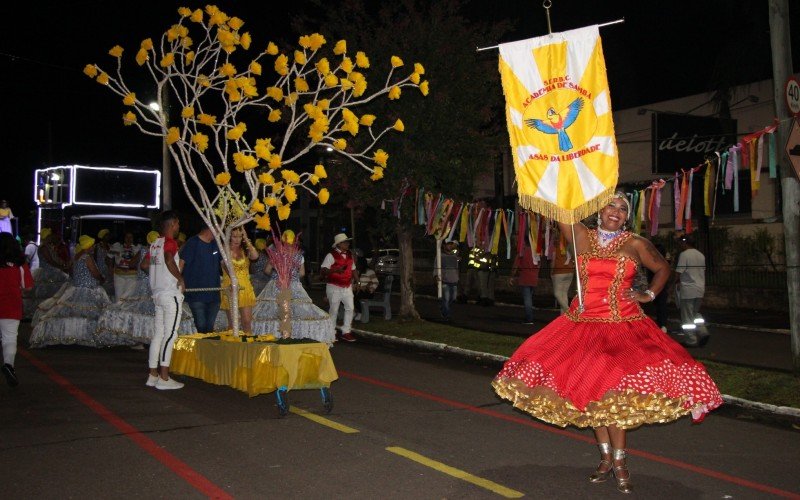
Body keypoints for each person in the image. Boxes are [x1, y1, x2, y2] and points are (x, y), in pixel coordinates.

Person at [492, 192, 722, 494]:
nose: (615, 211)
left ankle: (620, 462)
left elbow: (663, 269)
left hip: (622, 327)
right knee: (591, 395)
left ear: (627, 216)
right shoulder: (580, 235)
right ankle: (604, 458)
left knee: (614, 397)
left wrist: (648, 294)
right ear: (599, 210)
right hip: (583, 327)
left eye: (622, 208)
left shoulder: (635, 243)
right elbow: (561, 206)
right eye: (611, 205)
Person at [96, 231, 196, 347]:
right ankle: (152, 339)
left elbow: (137, 264)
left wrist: (150, 271)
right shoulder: (159, 250)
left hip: (145, 284)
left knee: (140, 313)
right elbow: (150, 265)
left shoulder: (147, 250)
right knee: (153, 314)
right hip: (155, 285)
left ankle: (142, 339)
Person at [29, 234, 111, 347]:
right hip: (89, 290)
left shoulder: (76, 256)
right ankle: (86, 336)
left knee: (73, 313)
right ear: (87, 246)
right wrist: (101, 279)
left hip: (75, 289)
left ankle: (72, 335)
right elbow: (95, 272)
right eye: (91, 246)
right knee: (87, 314)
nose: (93, 248)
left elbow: (71, 272)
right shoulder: (87, 257)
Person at [252, 230, 332, 344]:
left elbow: (267, 270)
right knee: (293, 311)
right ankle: (291, 335)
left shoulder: (275, 253)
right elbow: (302, 273)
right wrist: (293, 278)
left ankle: (276, 335)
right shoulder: (299, 255)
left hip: (276, 285)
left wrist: (275, 276)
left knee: (274, 312)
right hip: (293, 286)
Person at [146, 211, 185, 390]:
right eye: (177, 224)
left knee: (159, 334)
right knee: (170, 334)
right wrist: (179, 278)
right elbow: (169, 259)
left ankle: (153, 374)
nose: (178, 227)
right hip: (169, 294)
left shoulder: (155, 244)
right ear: (172, 224)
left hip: (157, 294)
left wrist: (159, 275)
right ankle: (164, 377)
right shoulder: (170, 242)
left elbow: (144, 265)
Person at [0, 232, 33, 387]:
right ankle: (8, 365)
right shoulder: (20, 264)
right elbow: (28, 287)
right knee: (9, 338)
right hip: (11, 305)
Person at [180, 225, 223, 333]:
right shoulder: (192, 243)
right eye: (218, 229)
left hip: (214, 293)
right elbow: (181, 263)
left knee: (209, 327)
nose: (220, 232)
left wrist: (233, 278)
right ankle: (203, 347)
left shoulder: (216, 244)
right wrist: (178, 280)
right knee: (201, 325)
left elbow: (223, 263)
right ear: (211, 228)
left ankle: (207, 348)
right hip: (196, 294)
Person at [219, 227, 259, 334]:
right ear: (229, 237)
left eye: (240, 236)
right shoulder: (224, 248)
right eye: (234, 236)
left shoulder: (245, 249)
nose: (237, 239)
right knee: (233, 324)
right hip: (230, 288)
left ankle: (248, 347)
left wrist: (246, 239)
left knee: (246, 322)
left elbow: (255, 256)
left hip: (245, 288)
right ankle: (232, 348)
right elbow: (224, 264)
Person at [320, 233, 359, 342]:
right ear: (339, 244)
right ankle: (331, 333)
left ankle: (346, 331)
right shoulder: (331, 255)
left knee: (350, 308)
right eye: (345, 242)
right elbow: (323, 270)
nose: (348, 244)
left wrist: (358, 281)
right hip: (334, 286)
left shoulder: (350, 254)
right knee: (334, 310)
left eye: (348, 242)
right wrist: (335, 270)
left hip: (347, 286)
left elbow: (353, 269)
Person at [674, 235, 708, 347]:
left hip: (688, 289)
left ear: (685, 243)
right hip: (700, 288)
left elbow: (679, 271)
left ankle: (691, 340)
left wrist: (673, 283)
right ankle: (702, 331)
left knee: (687, 316)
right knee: (695, 312)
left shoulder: (684, 255)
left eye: (680, 243)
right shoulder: (700, 255)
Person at [509, 241, 540, 324]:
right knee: (529, 297)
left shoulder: (522, 251)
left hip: (525, 277)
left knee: (527, 299)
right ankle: (529, 316)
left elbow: (516, 265)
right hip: (533, 278)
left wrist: (512, 276)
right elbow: (539, 264)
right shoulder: (536, 251)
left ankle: (529, 319)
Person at [109, 232, 141, 301]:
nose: (129, 239)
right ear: (123, 238)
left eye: (131, 237)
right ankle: (118, 311)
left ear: (134, 238)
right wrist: (110, 268)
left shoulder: (138, 247)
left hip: (132, 276)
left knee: (128, 298)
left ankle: (125, 311)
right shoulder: (117, 246)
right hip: (118, 275)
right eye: (127, 237)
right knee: (119, 298)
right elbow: (108, 258)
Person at [434, 239, 460, 322]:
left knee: (453, 298)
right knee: (447, 298)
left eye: (450, 245)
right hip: (445, 280)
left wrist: (457, 278)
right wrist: (436, 275)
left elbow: (456, 268)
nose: (449, 246)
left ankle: (443, 307)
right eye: (448, 245)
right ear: (444, 246)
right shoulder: (440, 256)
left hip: (454, 280)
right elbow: (436, 266)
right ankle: (447, 315)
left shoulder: (454, 256)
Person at [353, 256, 380, 322]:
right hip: (359, 291)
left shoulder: (369, 271)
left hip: (367, 292)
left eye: (357, 263)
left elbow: (376, 282)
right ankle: (354, 312)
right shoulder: (357, 272)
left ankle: (360, 313)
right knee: (346, 295)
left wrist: (369, 289)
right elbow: (356, 283)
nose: (356, 264)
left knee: (355, 295)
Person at [95, 228, 115, 298]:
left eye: (108, 235)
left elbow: (113, 259)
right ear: (102, 237)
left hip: (109, 272)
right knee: (100, 291)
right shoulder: (96, 247)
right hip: (100, 271)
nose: (108, 237)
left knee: (109, 291)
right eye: (106, 235)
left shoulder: (111, 247)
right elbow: (93, 259)